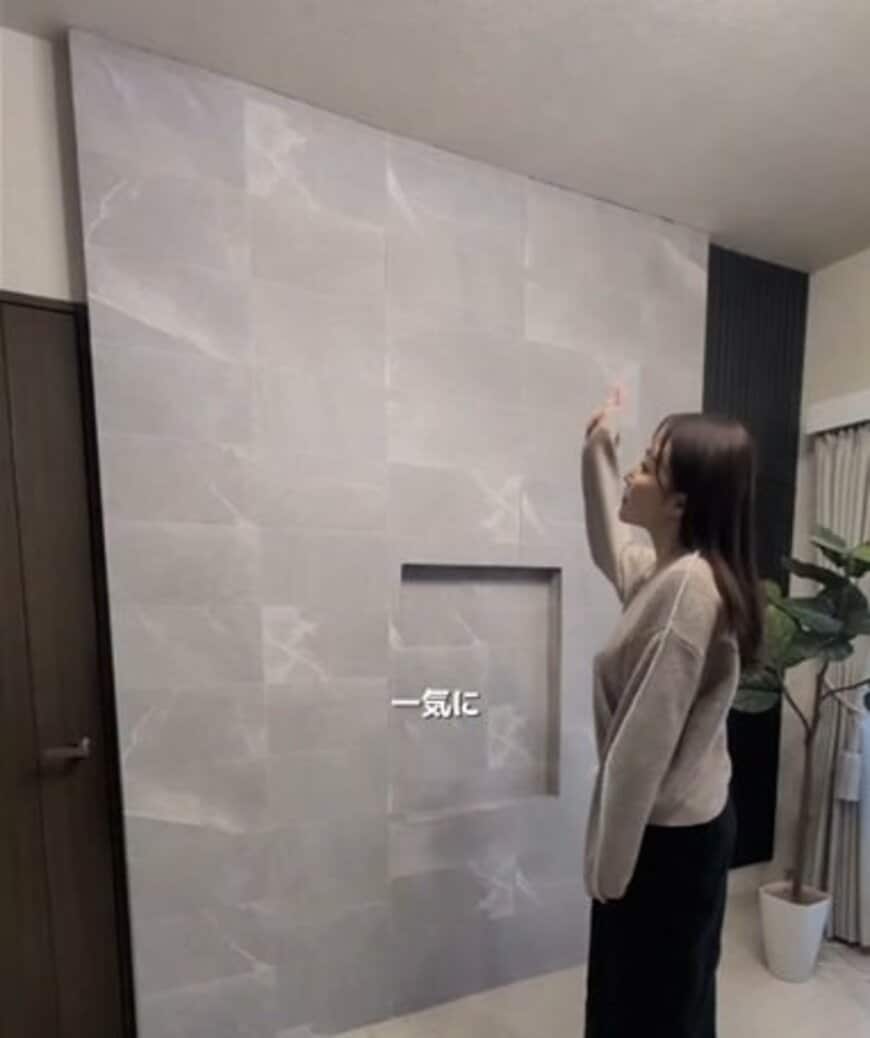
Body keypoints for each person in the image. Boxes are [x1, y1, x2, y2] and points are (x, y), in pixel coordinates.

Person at [581, 395, 764, 1038]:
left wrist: (607, 871)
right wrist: (597, 452)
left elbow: (641, 750)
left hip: (663, 843)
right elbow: (613, 552)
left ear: (681, 502)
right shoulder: (671, 572)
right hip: (674, 830)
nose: (633, 475)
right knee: (665, 1000)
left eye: (647, 467)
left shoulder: (689, 591)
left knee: (651, 1014)